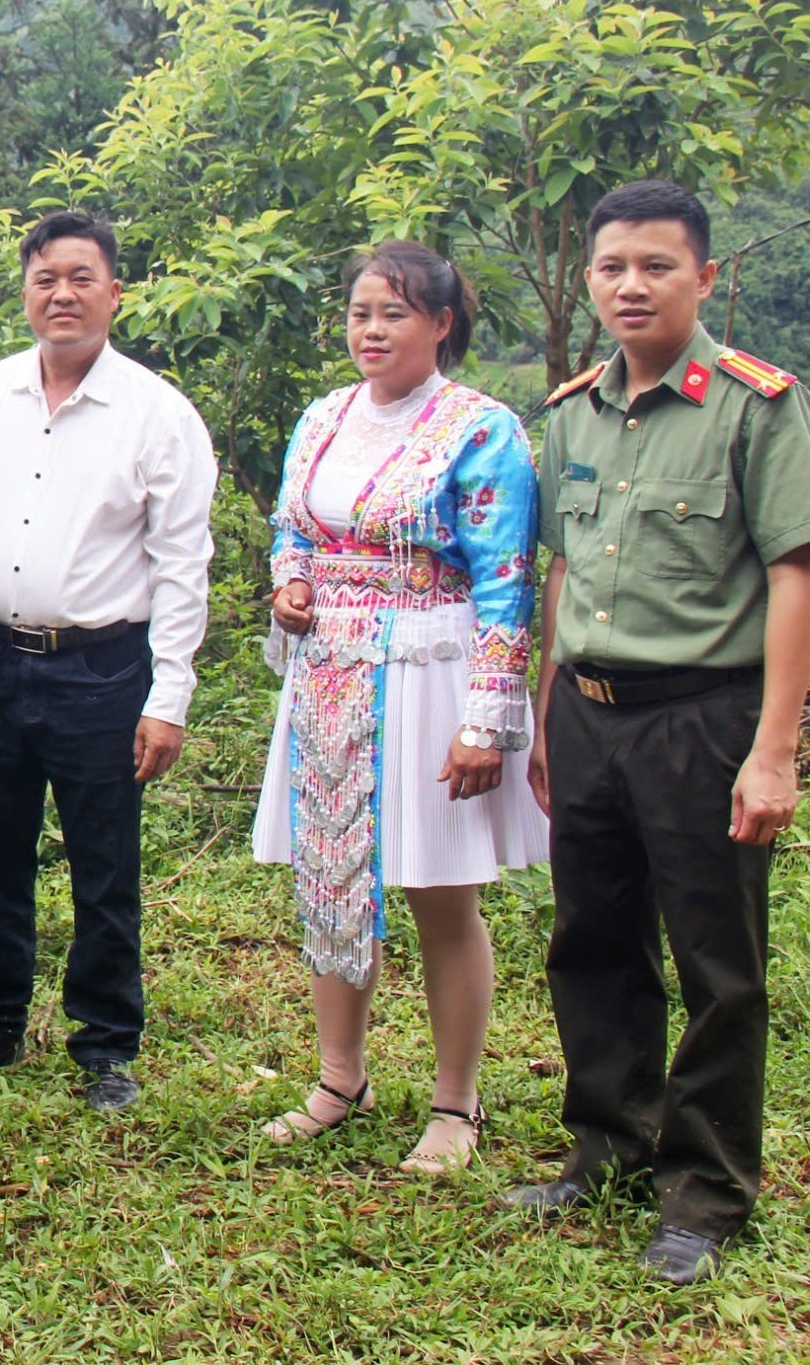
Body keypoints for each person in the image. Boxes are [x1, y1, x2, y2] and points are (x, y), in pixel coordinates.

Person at [506, 180, 810, 1284]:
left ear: (701, 277)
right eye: (611, 267)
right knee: (591, 942)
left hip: (704, 717)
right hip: (588, 712)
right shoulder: (570, 412)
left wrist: (775, 748)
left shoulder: (753, 405)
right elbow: (562, 565)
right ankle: (606, 1140)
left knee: (716, 960)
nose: (629, 285)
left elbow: (793, 572)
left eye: (656, 265)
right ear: (591, 281)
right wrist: (547, 718)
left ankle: (702, 1190)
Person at [0, 209, 216, 1112]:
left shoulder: (158, 414)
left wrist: (170, 697)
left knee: (103, 862)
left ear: (115, 292)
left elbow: (181, 563)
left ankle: (105, 1044)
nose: (62, 293)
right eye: (46, 277)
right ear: (26, 291)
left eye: (82, 277)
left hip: (104, 670)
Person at [249, 241, 545, 1172]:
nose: (370, 331)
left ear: (442, 324)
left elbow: (506, 578)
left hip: (430, 670)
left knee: (439, 894)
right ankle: (341, 1077)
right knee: (330, 877)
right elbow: (291, 525)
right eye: (359, 314)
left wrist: (487, 715)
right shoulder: (326, 416)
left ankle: (456, 1103)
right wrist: (291, 582)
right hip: (330, 670)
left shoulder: (480, 427)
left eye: (394, 314)